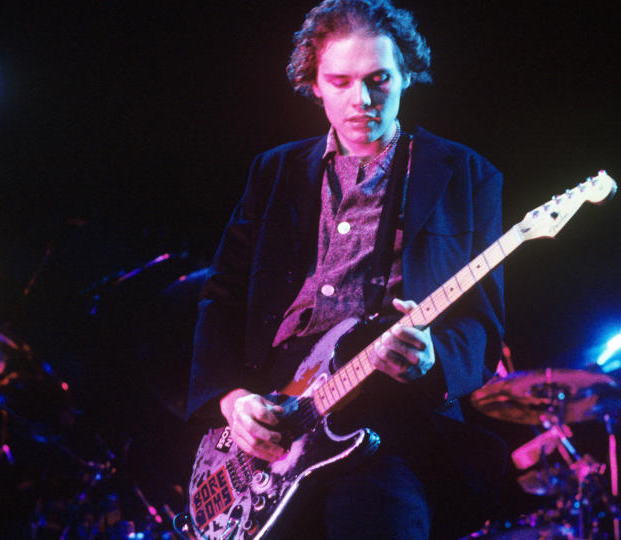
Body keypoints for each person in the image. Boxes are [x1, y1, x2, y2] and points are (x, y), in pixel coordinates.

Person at [187, 1, 505, 537]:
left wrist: (434, 359)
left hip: (390, 422)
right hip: (274, 423)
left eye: (379, 80)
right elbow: (222, 296)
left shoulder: (466, 175)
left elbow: (482, 324)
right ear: (313, 84)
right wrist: (232, 398)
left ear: (407, 75)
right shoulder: (274, 171)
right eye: (340, 81)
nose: (361, 100)